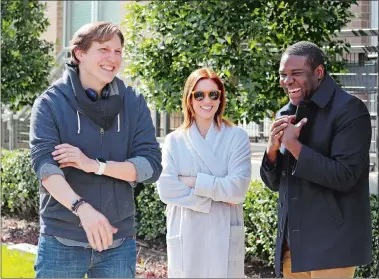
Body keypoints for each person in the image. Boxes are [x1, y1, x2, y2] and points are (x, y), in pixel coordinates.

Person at [29, 22, 162, 278]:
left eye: (118, 51)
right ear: (80, 53)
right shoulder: (51, 103)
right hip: (62, 242)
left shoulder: (133, 102)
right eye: (104, 49)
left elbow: (151, 166)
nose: (112, 58)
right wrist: (82, 209)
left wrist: (94, 165)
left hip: (118, 243)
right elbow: (46, 169)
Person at [260, 41, 372, 278]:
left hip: (332, 247)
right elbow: (274, 184)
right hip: (292, 246)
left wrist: (293, 145)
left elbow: (344, 176)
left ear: (319, 72)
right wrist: (272, 148)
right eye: (283, 75)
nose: (287, 81)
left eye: (295, 74)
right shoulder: (285, 113)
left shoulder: (350, 110)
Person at [156, 68, 252, 278]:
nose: (206, 100)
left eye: (213, 94)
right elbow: (166, 189)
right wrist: (215, 196)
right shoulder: (174, 140)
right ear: (189, 98)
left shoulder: (237, 137)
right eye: (199, 94)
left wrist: (193, 181)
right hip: (186, 233)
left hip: (224, 231)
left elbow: (237, 190)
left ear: (220, 98)